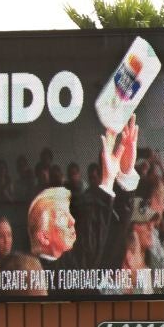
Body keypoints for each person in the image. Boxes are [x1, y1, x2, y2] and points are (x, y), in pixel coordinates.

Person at [69, 114, 141, 272]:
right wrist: (108, 181)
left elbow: (121, 216)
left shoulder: (115, 200)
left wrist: (126, 171)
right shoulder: (82, 202)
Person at [27, 186, 76, 273]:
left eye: (68, 213)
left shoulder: (72, 263)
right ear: (44, 237)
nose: (72, 221)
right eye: (62, 217)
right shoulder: (35, 275)